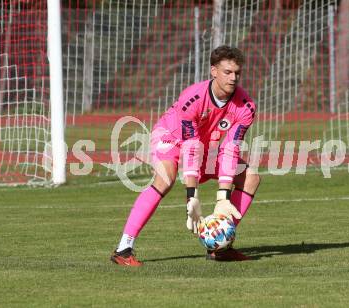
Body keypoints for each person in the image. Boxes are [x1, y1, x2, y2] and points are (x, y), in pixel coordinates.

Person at [110, 45, 261, 266]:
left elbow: (230, 149)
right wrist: (192, 196)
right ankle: (123, 248)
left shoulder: (246, 107)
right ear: (214, 71)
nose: (233, 78)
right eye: (227, 72)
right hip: (171, 138)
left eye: (237, 73)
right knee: (166, 176)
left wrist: (223, 198)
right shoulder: (192, 98)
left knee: (250, 178)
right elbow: (190, 147)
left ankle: (219, 244)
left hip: (205, 146)